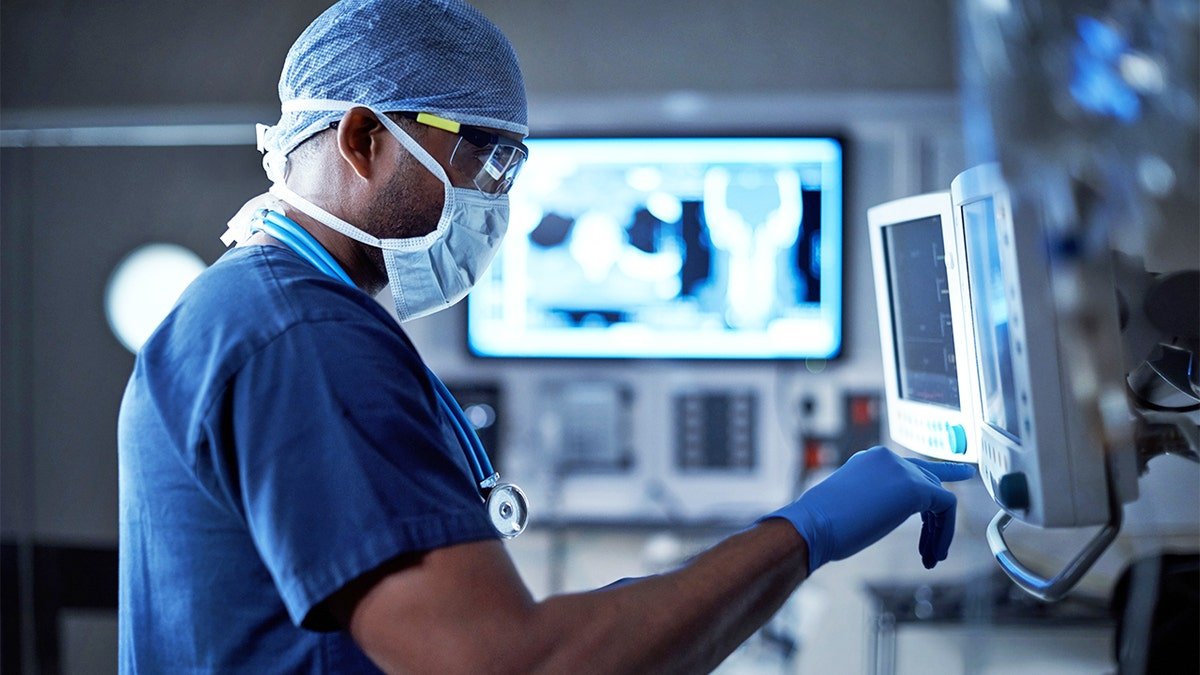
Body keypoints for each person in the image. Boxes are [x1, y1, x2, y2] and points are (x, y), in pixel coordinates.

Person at [116, 0, 976, 672]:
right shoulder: (303, 336)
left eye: (513, 167)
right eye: (485, 157)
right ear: (363, 136)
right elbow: (517, 664)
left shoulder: (252, 310)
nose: (499, 201)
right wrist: (810, 531)